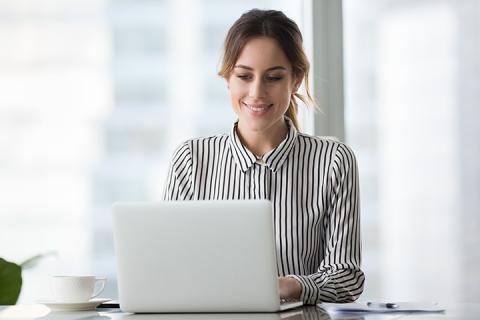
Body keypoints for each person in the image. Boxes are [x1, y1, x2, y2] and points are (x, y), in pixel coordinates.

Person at [163, 9, 364, 304]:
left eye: (273, 77)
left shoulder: (334, 160)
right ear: (227, 79)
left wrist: (291, 286)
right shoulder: (191, 160)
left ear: (296, 80)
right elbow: (169, 267)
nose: (256, 92)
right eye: (244, 76)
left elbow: (346, 277)